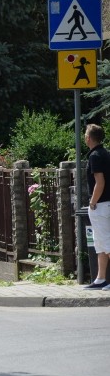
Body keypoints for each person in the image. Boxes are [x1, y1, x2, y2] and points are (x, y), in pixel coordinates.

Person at [84, 124, 110, 290]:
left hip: (100, 205)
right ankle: (101, 278)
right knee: (100, 242)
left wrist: (93, 202)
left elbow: (100, 182)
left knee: (106, 242)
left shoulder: (95, 156)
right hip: (106, 204)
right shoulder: (106, 153)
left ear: (89, 138)